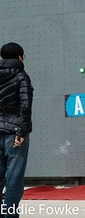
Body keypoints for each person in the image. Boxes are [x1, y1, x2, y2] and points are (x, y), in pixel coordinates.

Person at [0, 42, 33, 218]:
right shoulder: (22, 77)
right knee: (14, 179)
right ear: (20, 56)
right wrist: (21, 132)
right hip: (14, 135)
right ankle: (10, 215)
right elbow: (25, 107)